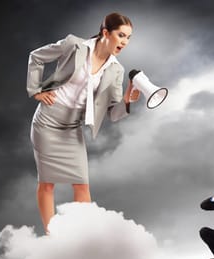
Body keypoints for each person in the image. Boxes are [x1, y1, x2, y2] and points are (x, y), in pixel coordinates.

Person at [26, 12, 139, 233]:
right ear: (106, 32)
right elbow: (36, 56)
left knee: (82, 185)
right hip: (47, 121)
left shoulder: (116, 70)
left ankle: (81, 238)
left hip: (72, 127)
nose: (125, 42)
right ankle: (52, 237)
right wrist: (36, 91)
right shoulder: (74, 45)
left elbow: (112, 114)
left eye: (128, 38)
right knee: (47, 183)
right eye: (121, 35)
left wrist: (126, 99)